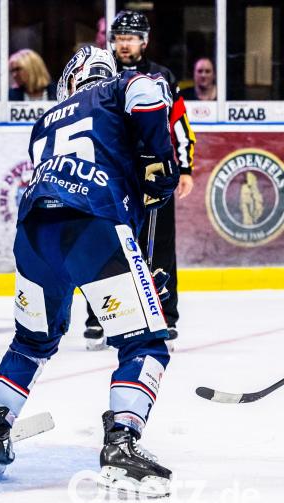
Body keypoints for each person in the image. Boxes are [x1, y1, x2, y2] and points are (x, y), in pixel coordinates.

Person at [0, 46, 179, 497]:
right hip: (92, 226)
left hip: (33, 233)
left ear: (71, 79)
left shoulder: (45, 119)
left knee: (30, 343)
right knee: (144, 340)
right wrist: (161, 160)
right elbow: (148, 96)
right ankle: (122, 444)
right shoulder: (120, 87)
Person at [83, 10, 196, 350]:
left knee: (159, 246)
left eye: (132, 38)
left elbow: (178, 124)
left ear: (144, 41)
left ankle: (165, 315)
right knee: (106, 242)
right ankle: (99, 317)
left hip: (152, 172)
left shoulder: (162, 76)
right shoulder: (101, 75)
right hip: (112, 174)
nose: (125, 44)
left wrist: (186, 167)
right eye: (120, 37)